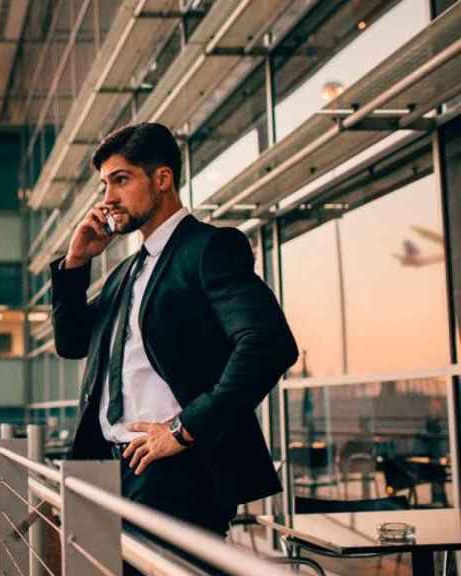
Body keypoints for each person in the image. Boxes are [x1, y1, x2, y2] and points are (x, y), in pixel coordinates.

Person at [50, 123, 298, 547]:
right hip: (114, 468)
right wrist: (75, 264)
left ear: (162, 179)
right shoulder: (126, 273)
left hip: (177, 475)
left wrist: (186, 429)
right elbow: (73, 343)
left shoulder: (209, 249)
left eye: (121, 180)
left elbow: (268, 344)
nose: (108, 197)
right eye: (105, 184)